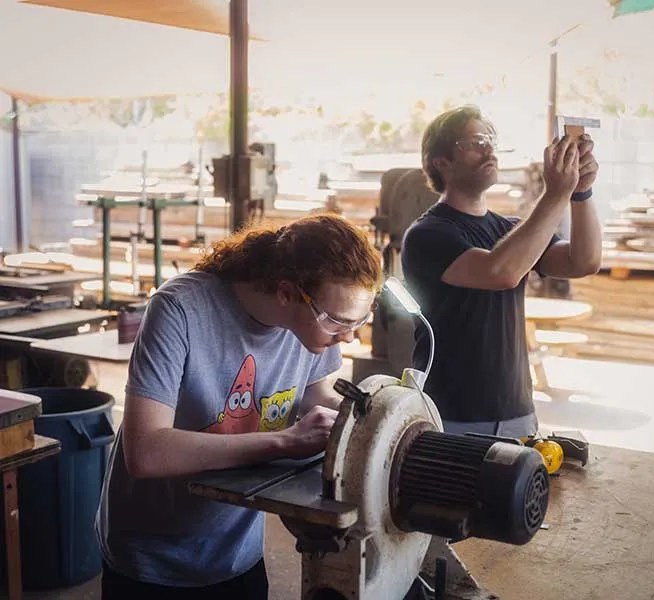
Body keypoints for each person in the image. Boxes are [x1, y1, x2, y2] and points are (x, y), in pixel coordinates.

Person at [96, 214, 382, 599]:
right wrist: (284, 441)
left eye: (359, 320)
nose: (347, 336)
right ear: (286, 292)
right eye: (337, 321)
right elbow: (146, 452)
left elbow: (317, 402)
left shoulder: (311, 333)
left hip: (236, 553)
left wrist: (372, 419)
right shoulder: (179, 310)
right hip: (152, 558)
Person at [401, 105, 601, 438]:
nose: (489, 149)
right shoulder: (427, 234)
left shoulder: (509, 230)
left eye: (491, 140)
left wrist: (581, 192)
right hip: (450, 417)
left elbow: (582, 262)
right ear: (442, 162)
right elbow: (500, 272)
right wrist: (556, 193)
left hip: (517, 412)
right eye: (476, 142)